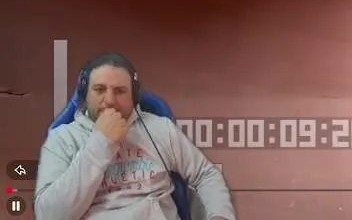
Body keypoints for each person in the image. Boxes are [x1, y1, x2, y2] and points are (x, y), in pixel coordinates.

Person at [36, 53, 237, 220]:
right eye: (99, 90)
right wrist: (101, 142)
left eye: (120, 91)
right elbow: (49, 215)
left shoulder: (159, 128)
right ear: (85, 94)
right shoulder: (62, 139)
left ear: (134, 96)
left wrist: (220, 215)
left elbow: (205, 174)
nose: (110, 100)